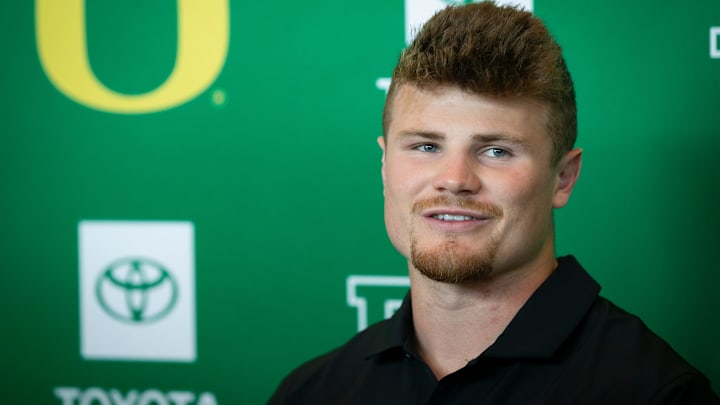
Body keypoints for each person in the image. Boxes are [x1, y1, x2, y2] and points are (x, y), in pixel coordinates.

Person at [269, 3, 719, 404]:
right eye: (426, 146)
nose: (454, 180)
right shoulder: (313, 391)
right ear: (385, 165)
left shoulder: (654, 393)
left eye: (496, 151)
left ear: (563, 178)